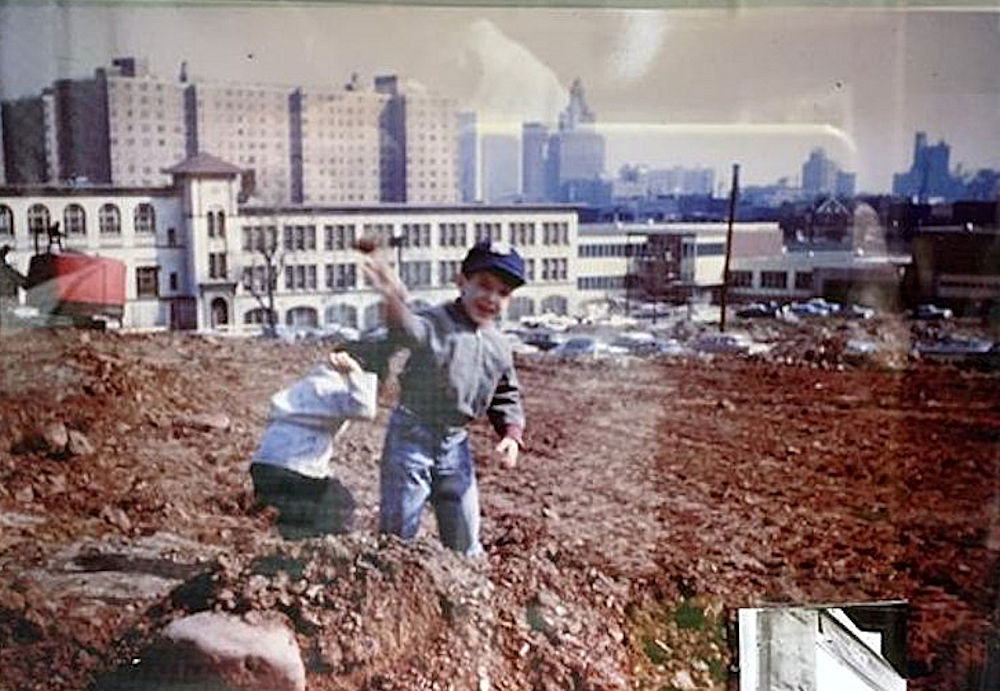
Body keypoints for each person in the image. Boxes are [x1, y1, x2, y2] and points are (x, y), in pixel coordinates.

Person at [362, 240, 527, 557]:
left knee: (465, 534)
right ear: (461, 281)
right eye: (484, 285)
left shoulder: (498, 345)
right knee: (400, 530)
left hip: (456, 444)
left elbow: (506, 394)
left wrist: (511, 434)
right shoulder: (436, 322)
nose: (492, 298)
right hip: (412, 436)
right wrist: (391, 298)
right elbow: (407, 329)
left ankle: (466, 591)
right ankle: (391, 583)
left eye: (503, 292)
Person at [249, 351, 377, 539]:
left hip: (266, 467)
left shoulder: (308, 385)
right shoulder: (333, 388)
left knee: (300, 517)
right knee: (341, 506)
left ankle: (292, 548)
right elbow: (365, 409)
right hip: (293, 471)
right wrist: (356, 372)